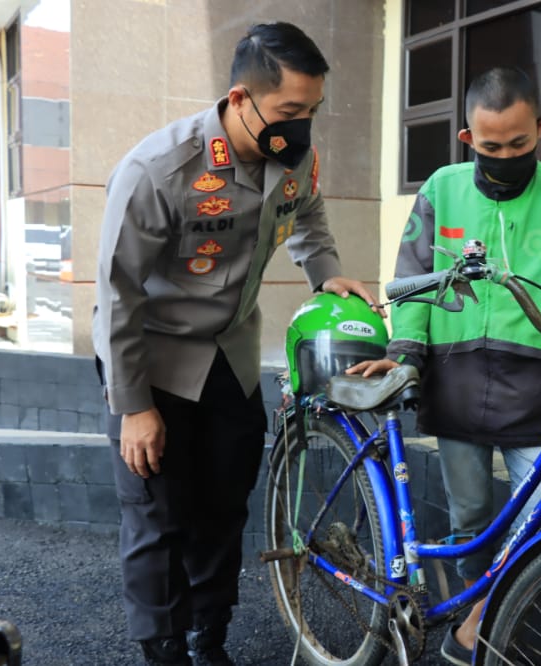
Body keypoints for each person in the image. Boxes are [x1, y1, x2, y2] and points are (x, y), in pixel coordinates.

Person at [91, 22, 379, 666]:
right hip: (152, 361)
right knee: (158, 519)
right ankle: (164, 651)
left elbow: (308, 215)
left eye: (311, 111)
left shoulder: (292, 156)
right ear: (241, 99)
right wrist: (134, 407)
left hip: (231, 360)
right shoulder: (159, 169)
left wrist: (325, 270)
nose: (302, 128)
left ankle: (207, 639)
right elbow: (117, 294)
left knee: (222, 509)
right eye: (289, 112)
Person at [348, 66, 541, 666]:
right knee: (470, 520)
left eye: (519, 144)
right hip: (457, 384)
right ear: (467, 138)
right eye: (491, 146)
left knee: (540, 517)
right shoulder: (441, 189)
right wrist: (404, 354)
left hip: (538, 385)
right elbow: (413, 280)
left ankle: (478, 622)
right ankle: (486, 619)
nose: (506, 156)